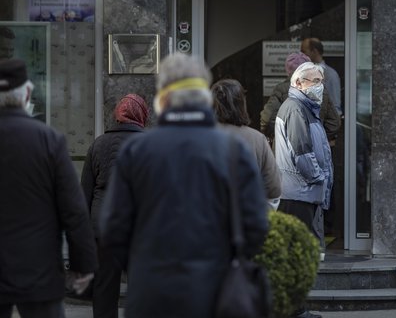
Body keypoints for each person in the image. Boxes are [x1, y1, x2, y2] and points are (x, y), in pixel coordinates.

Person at [99, 53, 268, 318]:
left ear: (162, 100)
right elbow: (256, 227)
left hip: (150, 295)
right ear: (205, 98)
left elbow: (113, 229)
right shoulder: (233, 151)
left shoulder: (136, 151)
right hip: (216, 294)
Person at [0, 58, 97, 318]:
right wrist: (83, 265)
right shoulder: (48, 140)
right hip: (38, 271)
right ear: (27, 93)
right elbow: (73, 210)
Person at [80, 94, 150, 318]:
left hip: (103, 227)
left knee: (104, 287)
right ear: (141, 115)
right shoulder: (150, 145)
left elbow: (85, 193)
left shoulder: (98, 144)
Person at [274, 61, 332, 318]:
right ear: (298, 83)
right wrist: (319, 178)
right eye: (315, 81)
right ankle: (293, 310)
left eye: (321, 81)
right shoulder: (296, 109)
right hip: (299, 192)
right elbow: (302, 153)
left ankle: (294, 308)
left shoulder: (305, 108)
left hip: (301, 192)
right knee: (296, 255)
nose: (320, 86)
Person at [211, 78, 282, 209]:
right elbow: (273, 189)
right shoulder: (257, 139)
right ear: (241, 104)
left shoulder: (198, 138)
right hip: (246, 217)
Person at [260, 51, 341, 145]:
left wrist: (280, 136)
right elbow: (334, 123)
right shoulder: (321, 90)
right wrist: (317, 138)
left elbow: (267, 119)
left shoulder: (281, 89)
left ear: (288, 70)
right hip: (315, 149)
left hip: (287, 148)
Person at [301, 38, 342, 115]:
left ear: (314, 51)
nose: (301, 55)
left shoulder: (330, 74)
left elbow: (335, 107)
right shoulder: (302, 72)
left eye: (304, 51)